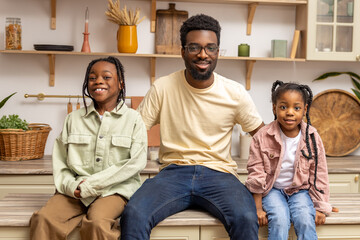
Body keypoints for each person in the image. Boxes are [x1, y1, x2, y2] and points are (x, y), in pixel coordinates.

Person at [120, 14, 264, 240]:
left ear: (217, 51)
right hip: (172, 173)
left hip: (220, 175)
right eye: (195, 47)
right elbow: (132, 133)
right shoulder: (163, 87)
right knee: (134, 213)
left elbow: (266, 138)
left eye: (210, 48)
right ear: (183, 51)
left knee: (246, 218)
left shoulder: (234, 92)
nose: (203, 54)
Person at [29, 56, 147, 240]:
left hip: (114, 191)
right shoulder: (73, 119)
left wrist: (91, 186)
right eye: (92, 78)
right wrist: (71, 186)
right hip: (76, 190)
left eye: (106, 77)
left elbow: (134, 163)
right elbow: (60, 162)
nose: (98, 81)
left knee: (98, 223)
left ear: (121, 83)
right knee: (44, 219)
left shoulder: (134, 119)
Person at [245, 80, 332, 240]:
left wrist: (321, 207)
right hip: (272, 191)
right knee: (279, 219)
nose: (290, 112)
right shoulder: (262, 137)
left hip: (300, 190)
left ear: (305, 109)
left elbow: (319, 175)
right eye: (283, 107)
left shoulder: (312, 137)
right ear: (274, 108)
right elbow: (256, 174)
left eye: (296, 108)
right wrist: (258, 208)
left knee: (305, 219)